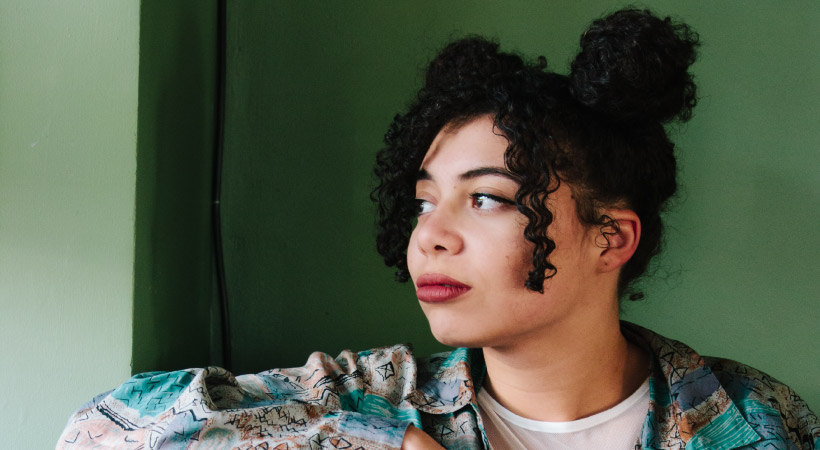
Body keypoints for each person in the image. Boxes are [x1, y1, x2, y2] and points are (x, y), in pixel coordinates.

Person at [57, 9, 818, 450]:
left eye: (484, 199)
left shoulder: (755, 419)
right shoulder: (378, 397)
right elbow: (96, 434)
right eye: (424, 202)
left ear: (610, 239)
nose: (432, 237)